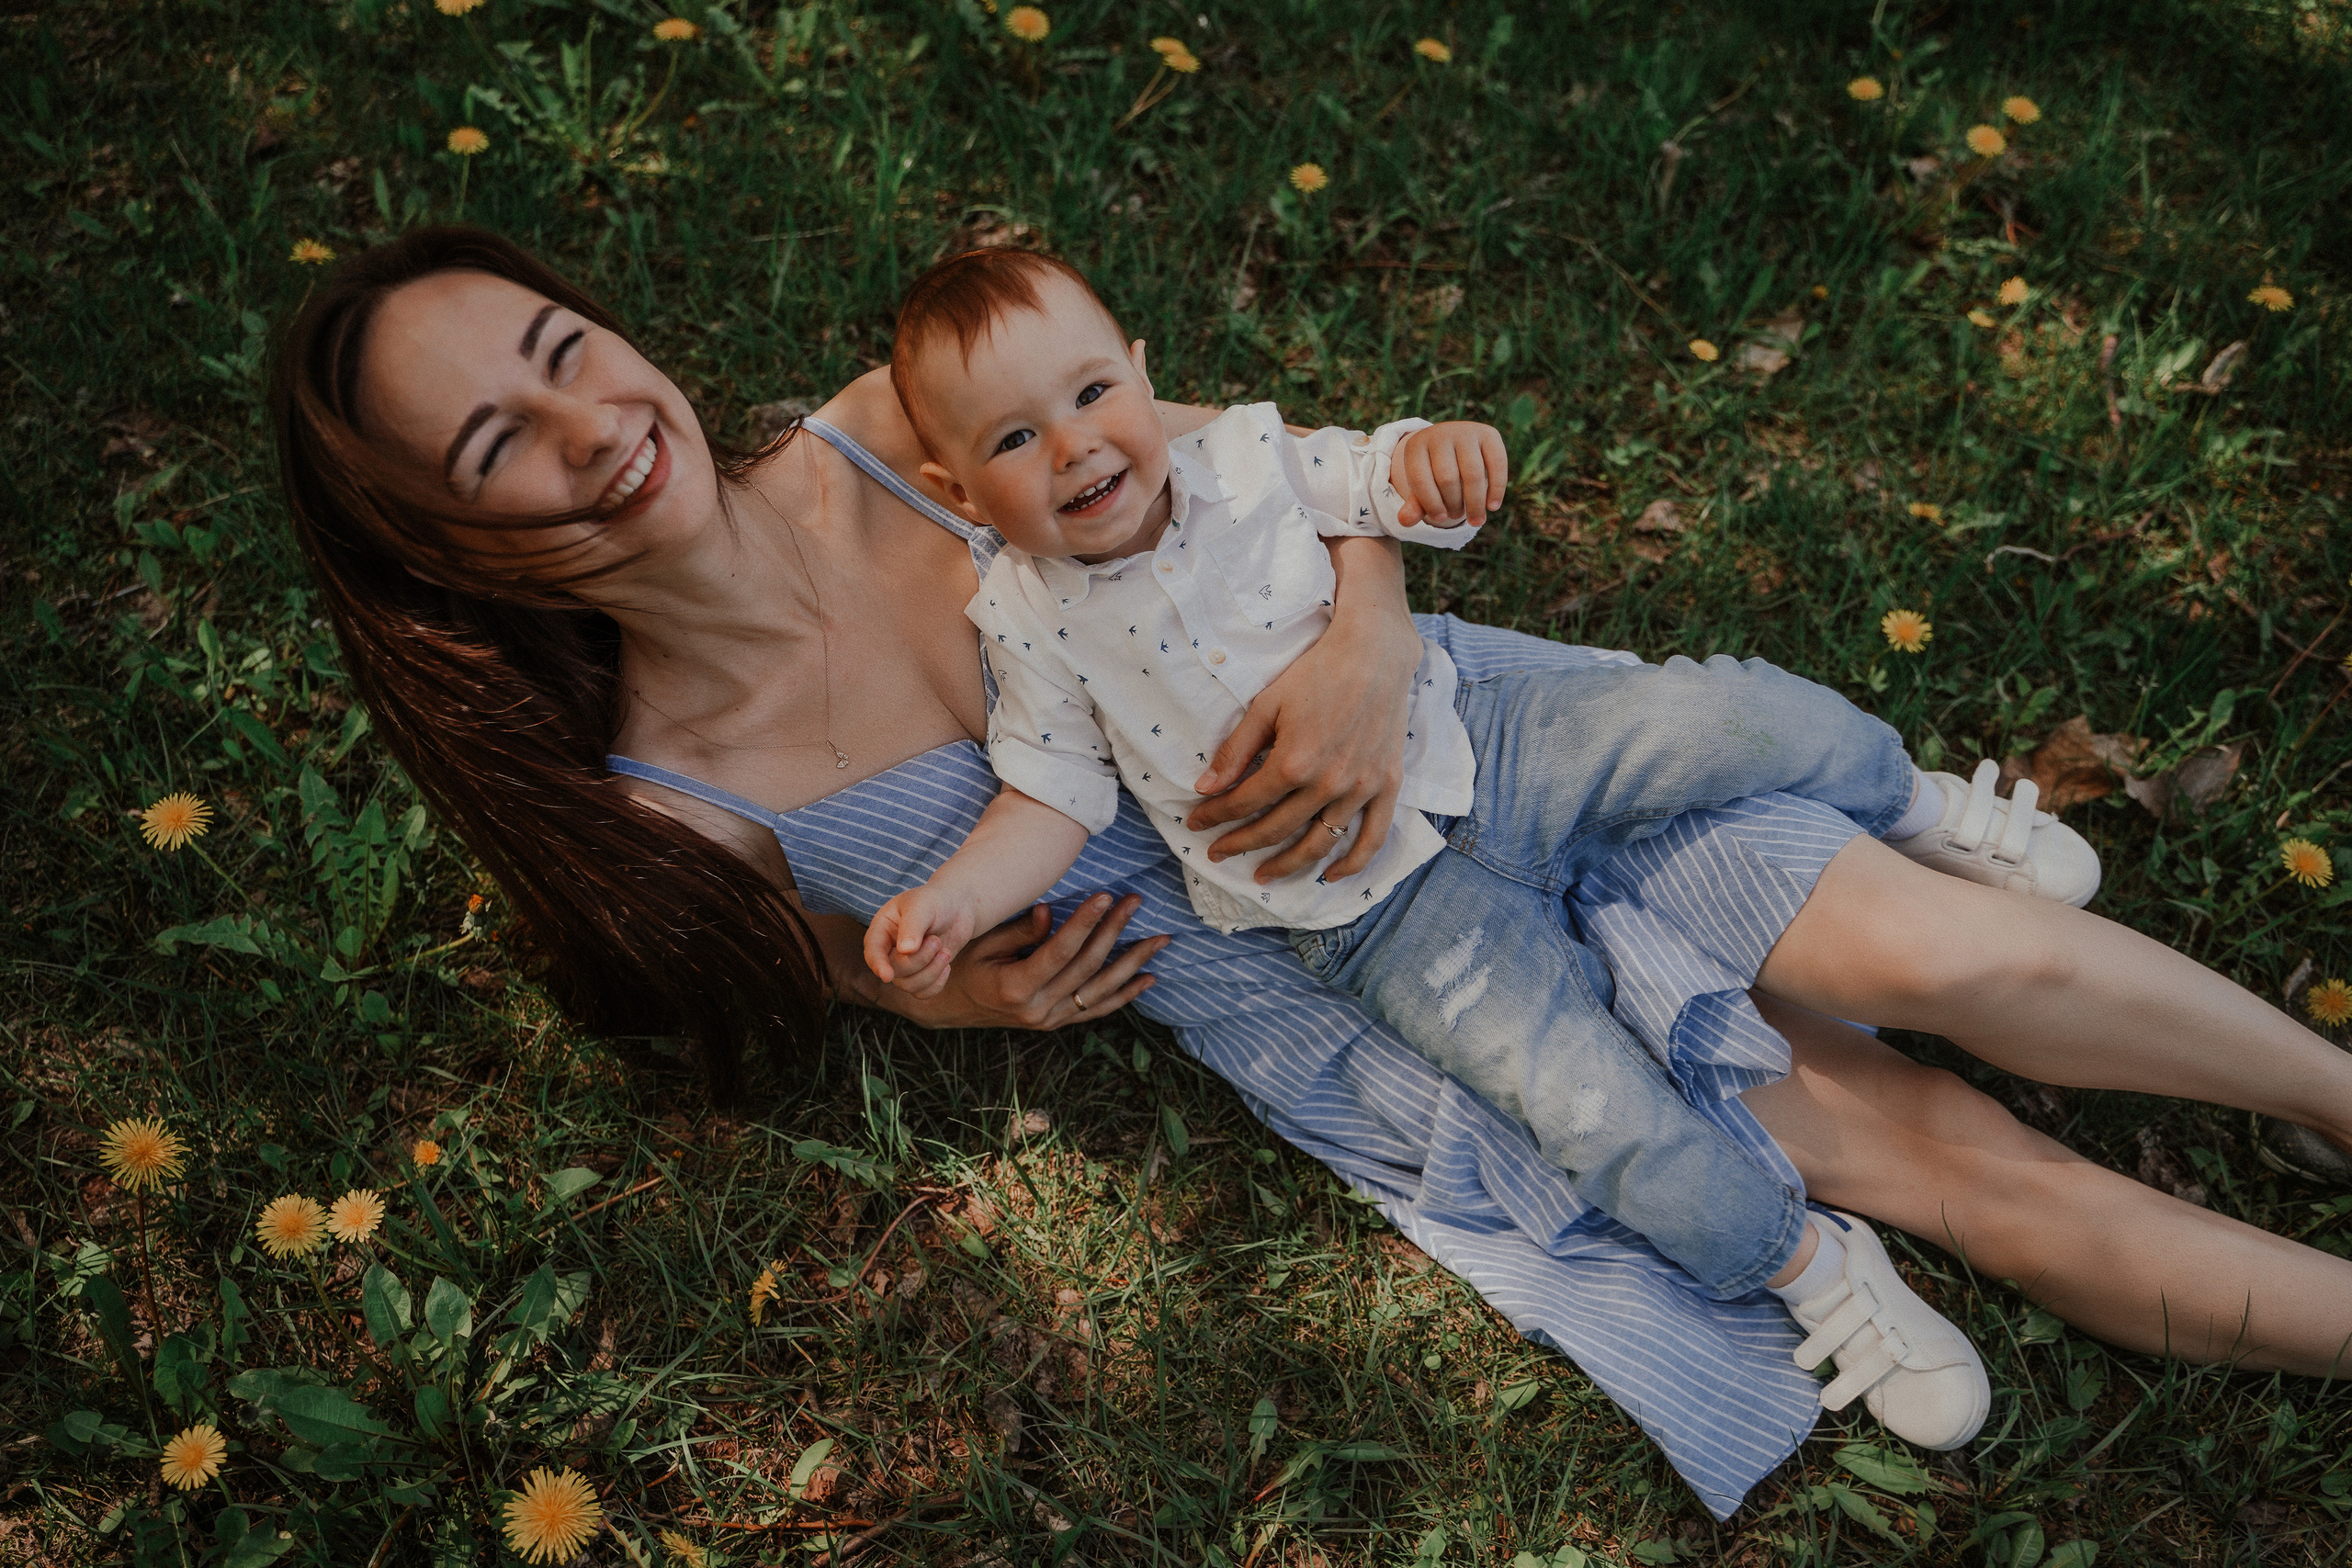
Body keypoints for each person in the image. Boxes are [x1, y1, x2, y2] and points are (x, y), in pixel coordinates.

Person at [269, 226, 2352, 1518]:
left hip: (1454, 732)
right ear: (447, 549)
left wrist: (1358, 645)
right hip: (1353, 971)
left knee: (1946, 940)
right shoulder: (661, 792)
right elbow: (782, 964)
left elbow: (1276, 466)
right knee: (1931, 1156)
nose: (583, 425)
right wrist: (922, 980)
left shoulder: (890, 428)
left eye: (553, 347)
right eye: (491, 446)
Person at [864, 250, 2087, 1448]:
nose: (1073, 444)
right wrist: (957, 906)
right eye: (1015, 439)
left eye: (1089, 394)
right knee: (1590, 1113)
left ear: (1139, 373)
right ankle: (1814, 1266)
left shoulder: (1243, 456)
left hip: (1485, 739)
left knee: (1709, 716)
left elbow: (1381, 482)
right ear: (963, 493)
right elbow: (1050, 801)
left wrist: (1441, 457)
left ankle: (1914, 804)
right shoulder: (1025, 622)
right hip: (1378, 923)